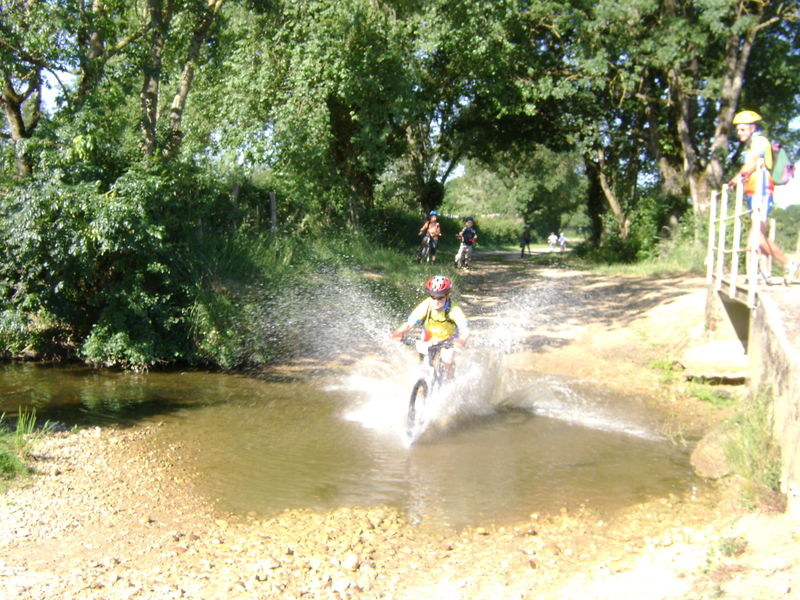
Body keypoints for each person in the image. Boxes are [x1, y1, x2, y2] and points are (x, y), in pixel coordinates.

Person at [726, 110, 797, 285]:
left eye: (742, 129)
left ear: (752, 128)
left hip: (762, 192)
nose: (739, 133)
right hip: (754, 193)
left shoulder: (759, 141)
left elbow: (752, 164)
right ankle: (763, 273)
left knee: (756, 236)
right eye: (738, 129)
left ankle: (789, 263)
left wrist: (733, 181)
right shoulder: (753, 144)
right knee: (755, 236)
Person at [391, 276, 469, 379]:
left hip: (448, 340)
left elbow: (465, 329)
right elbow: (410, 323)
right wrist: (399, 332)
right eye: (433, 296)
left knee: (447, 359)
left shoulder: (454, 309)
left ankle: (450, 381)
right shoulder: (426, 305)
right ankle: (421, 389)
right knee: (422, 369)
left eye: (440, 297)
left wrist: (462, 339)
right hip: (428, 339)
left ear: (448, 296)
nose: (436, 301)